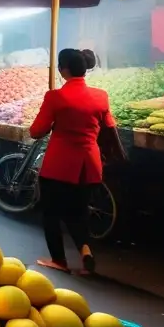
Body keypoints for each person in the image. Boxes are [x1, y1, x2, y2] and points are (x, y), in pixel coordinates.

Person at [29, 49, 113, 274]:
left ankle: (59, 259)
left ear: (62, 69)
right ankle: (85, 250)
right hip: (90, 166)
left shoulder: (56, 96)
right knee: (79, 212)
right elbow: (109, 128)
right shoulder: (101, 96)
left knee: (51, 213)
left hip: (59, 166)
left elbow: (37, 131)